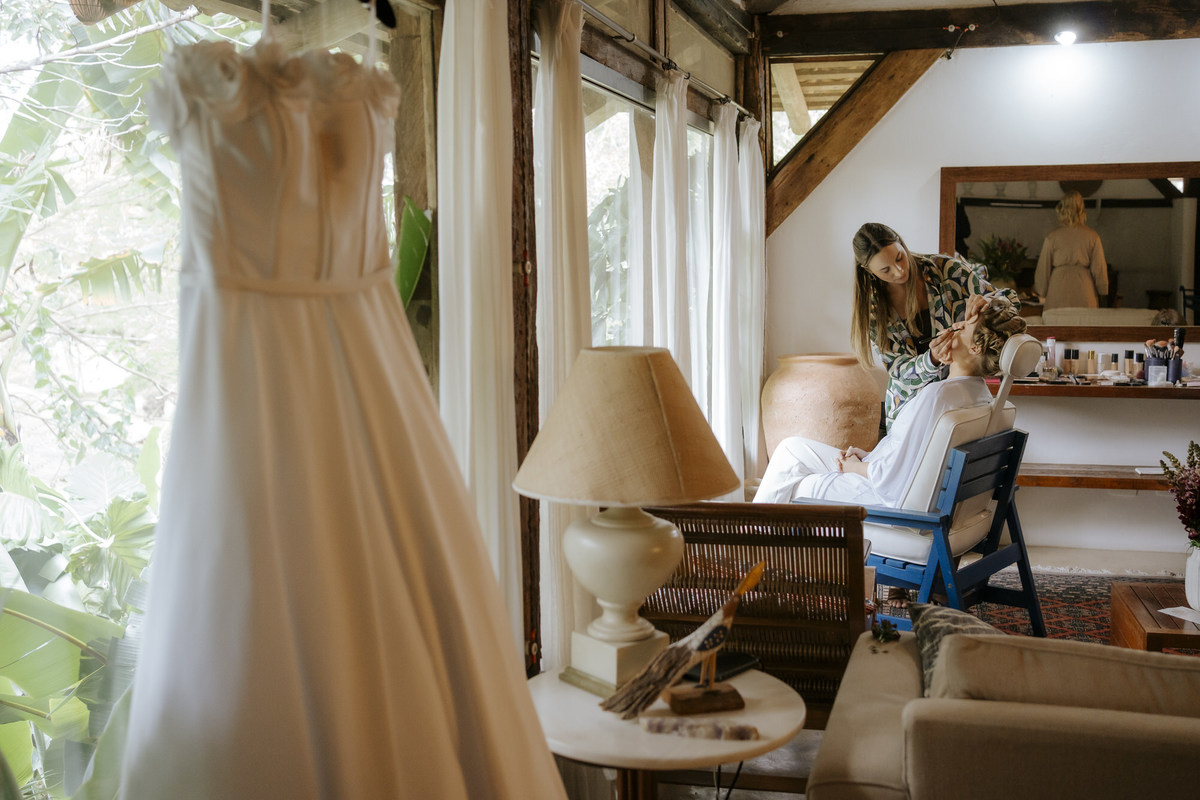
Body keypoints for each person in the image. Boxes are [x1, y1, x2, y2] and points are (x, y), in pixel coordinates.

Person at [756, 296, 1027, 505]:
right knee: (790, 450)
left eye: (962, 327)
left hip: (885, 499)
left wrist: (855, 467)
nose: (953, 328)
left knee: (796, 484)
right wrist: (868, 457)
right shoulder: (979, 394)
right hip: (885, 475)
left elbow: (894, 480)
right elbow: (914, 457)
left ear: (976, 348)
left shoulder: (939, 397)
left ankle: (744, 551)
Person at [850, 222, 1019, 433]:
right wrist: (931, 360)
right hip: (908, 408)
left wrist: (989, 303)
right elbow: (899, 370)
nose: (899, 270)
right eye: (886, 270)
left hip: (956, 396)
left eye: (899, 257)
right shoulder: (874, 310)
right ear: (869, 271)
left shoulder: (946, 270)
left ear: (901, 244)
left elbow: (1011, 301)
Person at [1034, 190, 1109, 309]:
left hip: (1058, 288)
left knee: (1057, 323)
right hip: (1084, 289)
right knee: (1083, 323)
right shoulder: (1092, 236)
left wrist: (1041, 290)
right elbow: (1099, 268)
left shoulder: (1052, 237)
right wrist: (1103, 290)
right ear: (1081, 209)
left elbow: (1044, 267)